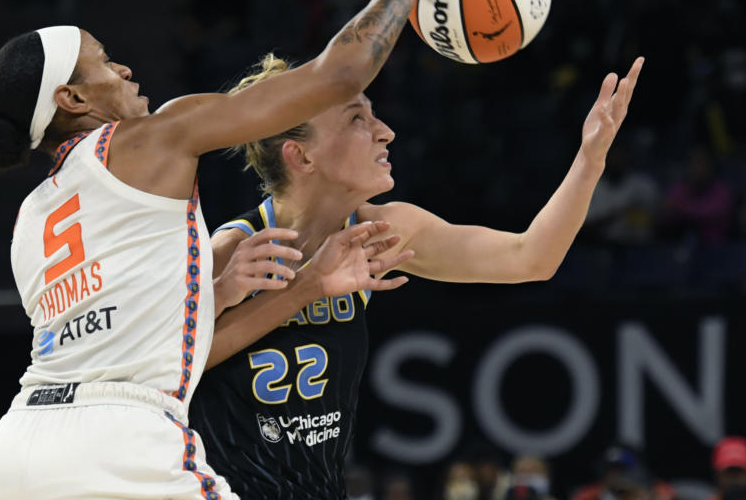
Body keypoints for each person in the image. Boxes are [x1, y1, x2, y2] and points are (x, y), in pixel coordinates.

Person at [0, 0, 491, 500]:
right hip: (121, 438)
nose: (124, 67)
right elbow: (339, 75)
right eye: (103, 61)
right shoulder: (152, 137)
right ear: (72, 97)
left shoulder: (32, 217)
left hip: (19, 448)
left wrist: (219, 295)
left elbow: (125, 337)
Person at [188, 37, 642, 499]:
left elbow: (531, 258)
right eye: (356, 119)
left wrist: (589, 160)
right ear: (301, 155)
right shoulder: (231, 251)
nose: (385, 131)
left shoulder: (381, 230)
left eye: (373, 113)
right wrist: (305, 287)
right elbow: (172, 368)